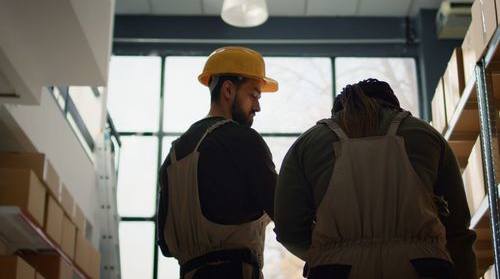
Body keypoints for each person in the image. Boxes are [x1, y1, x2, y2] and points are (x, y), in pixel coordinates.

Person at [274, 79, 477, 279]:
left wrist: (326, 251)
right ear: (393, 106)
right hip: (425, 267)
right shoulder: (426, 135)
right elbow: (457, 227)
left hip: (334, 269)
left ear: (338, 110)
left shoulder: (308, 143)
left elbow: (289, 230)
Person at [156, 46, 278, 279]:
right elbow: (285, 211)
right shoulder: (243, 140)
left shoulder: (172, 157)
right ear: (229, 90)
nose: (257, 107)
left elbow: (165, 245)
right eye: (253, 95)